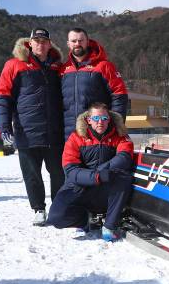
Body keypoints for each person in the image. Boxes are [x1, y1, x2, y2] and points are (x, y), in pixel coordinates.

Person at [0, 28, 65, 226]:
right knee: (31, 174)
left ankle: (58, 208)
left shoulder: (58, 67)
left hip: (54, 132)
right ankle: (39, 209)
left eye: (44, 41)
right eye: (37, 40)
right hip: (27, 132)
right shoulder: (14, 65)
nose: (40, 44)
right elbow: (2, 97)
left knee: (59, 172)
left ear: (49, 44)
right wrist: (4, 125)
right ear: (30, 43)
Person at [46, 102, 134, 242]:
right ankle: (85, 220)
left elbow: (124, 157)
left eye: (104, 119)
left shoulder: (120, 136)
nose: (100, 122)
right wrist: (96, 176)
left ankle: (109, 226)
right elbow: (71, 170)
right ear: (88, 120)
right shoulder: (76, 138)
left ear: (109, 119)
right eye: (96, 118)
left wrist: (103, 173)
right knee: (56, 217)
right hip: (81, 186)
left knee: (123, 178)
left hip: (106, 188)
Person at [61, 27, 128, 140]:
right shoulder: (63, 70)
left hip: (97, 133)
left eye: (81, 40)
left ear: (87, 41)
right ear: (68, 44)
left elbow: (119, 95)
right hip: (69, 135)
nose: (77, 44)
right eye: (73, 41)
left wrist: (115, 124)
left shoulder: (104, 66)